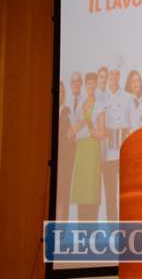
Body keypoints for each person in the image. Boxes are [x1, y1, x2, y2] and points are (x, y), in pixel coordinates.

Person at [70, 72, 105, 220]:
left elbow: (102, 133)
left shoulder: (99, 105)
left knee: (91, 189)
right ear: (85, 85)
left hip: (92, 149)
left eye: (93, 83)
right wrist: (79, 126)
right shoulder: (81, 106)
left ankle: (91, 227)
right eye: (88, 83)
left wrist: (89, 130)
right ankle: (81, 228)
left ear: (96, 85)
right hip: (81, 150)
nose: (91, 85)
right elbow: (71, 132)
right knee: (82, 190)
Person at [100, 68, 135, 220]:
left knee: (126, 193)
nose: (113, 76)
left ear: (119, 76)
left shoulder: (128, 97)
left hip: (125, 152)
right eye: (111, 74)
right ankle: (112, 227)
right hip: (107, 154)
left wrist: (126, 135)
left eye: (116, 74)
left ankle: (127, 224)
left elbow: (134, 123)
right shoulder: (101, 98)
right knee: (110, 194)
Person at [56, 80, 75, 220]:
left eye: (62, 92)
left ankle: (62, 224)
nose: (61, 95)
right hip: (55, 159)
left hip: (66, 159)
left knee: (64, 193)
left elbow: (72, 136)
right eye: (59, 92)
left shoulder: (68, 112)